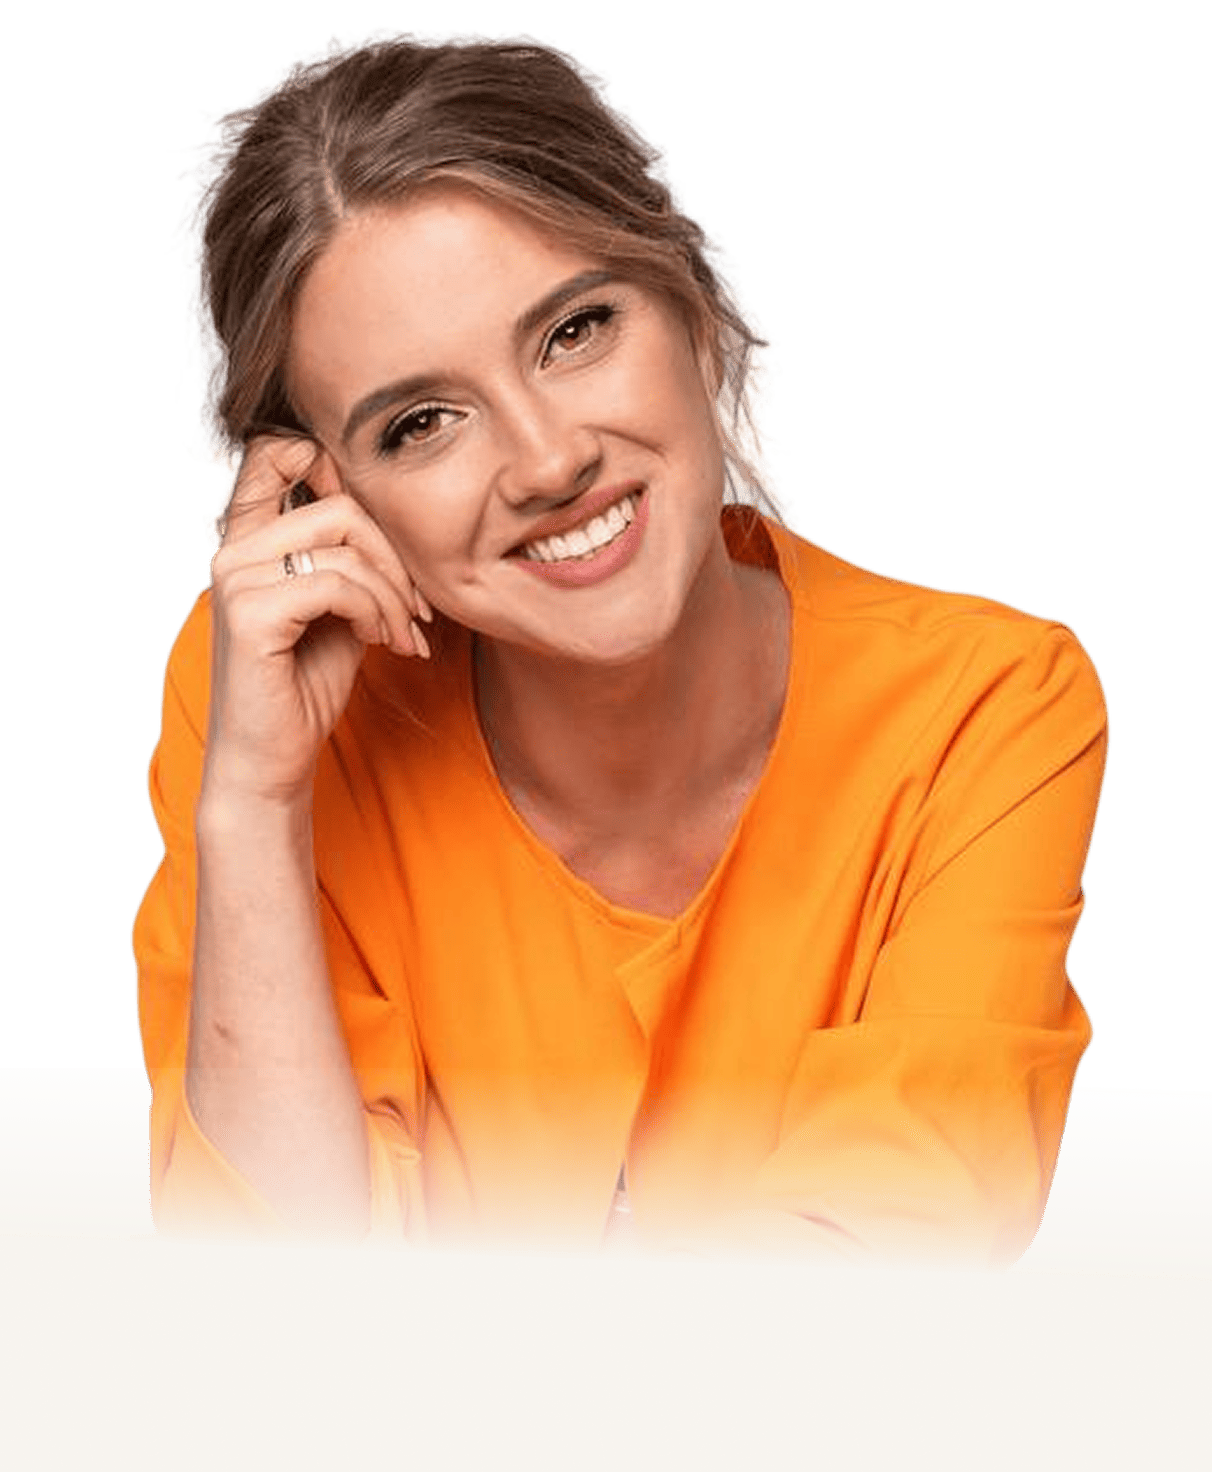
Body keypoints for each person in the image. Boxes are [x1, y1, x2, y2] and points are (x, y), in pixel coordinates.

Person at [133, 30, 1109, 1259]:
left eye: (576, 330)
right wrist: (255, 804)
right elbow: (265, 1301)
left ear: (688, 309)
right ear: (326, 498)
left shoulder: (984, 706)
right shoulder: (258, 704)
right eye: (422, 423)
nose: (549, 461)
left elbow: (883, 1282)